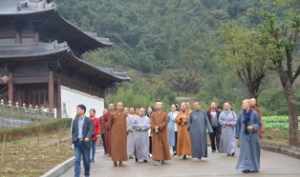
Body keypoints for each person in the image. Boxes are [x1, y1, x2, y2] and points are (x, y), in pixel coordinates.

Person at [236, 99, 261, 173]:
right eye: (242, 104)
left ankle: (253, 167)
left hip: (252, 136)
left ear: (248, 104)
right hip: (243, 136)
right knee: (245, 152)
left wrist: (253, 127)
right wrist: (237, 136)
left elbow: (258, 124)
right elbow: (238, 125)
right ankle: (245, 167)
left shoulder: (254, 113)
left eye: (244, 104)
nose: (242, 105)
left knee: (253, 151)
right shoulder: (241, 113)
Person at [71, 104, 93, 177]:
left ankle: (87, 174)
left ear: (83, 110)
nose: (77, 110)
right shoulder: (75, 120)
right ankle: (76, 175)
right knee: (77, 160)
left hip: (85, 143)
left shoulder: (88, 120)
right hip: (77, 143)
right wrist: (73, 141)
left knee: (86, 161)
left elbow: (90, 130)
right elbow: (73, 132)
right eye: (77, 109)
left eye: (78, 109)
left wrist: (87, 137)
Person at [110, 102, 128, 167]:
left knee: (121, 147)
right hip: (115, 133)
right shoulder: (113, 114)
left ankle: (121, 161)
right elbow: (110, 124)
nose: (120, 107)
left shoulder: (124, 114)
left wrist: (126, 131)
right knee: (115, 147)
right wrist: (112, 131)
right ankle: (114, 161)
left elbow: (125, 124)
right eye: (118, 106)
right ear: (116, 106)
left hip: (122, 133)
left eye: (121, 106)